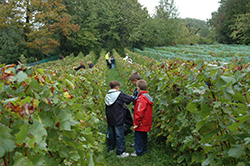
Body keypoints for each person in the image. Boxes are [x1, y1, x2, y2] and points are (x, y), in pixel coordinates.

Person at [105, 80, 134, 158]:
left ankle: (111, 149)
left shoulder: (107, 95)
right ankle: (120, 152)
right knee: (120, 135)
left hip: (110, 118)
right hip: (118, 118)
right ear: (117, 87)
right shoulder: (119, 94)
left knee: (111, 134)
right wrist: (133, 96)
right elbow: (129, 99)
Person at [131, 79, 153, 157]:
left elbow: (139, 111)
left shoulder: (141, 98)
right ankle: (144, 149)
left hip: (141, 122)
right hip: (146, 121)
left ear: (139, 88)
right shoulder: (147, 96)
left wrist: (136, 122)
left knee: (138, 136)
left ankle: (138, 151)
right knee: (144, 136)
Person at [128, 71, 142, 147]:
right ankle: (137, 142)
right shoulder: (138, 89)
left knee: (137, 126)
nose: (132, 83)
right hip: (136, 110)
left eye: (132, 82)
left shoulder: (139, 90)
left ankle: (138, 143)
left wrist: (133, 98)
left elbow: (140, 99)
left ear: (136, 80)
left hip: (137, 111)